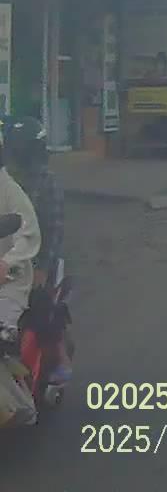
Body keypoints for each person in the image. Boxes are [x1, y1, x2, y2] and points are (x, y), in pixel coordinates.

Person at [3, 118, 70, 385]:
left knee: (41, 306)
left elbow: (54, 230)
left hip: (41, 260)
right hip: (9, 255)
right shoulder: (6, 179)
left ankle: (59, 361)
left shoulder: (47, 182)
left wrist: (42, 268)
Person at [0, 128, 41, 427]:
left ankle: (18, 405)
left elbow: (27, 232)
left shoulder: (10, 191)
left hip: (9, 281)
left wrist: (7, 262)